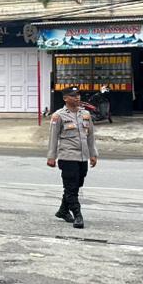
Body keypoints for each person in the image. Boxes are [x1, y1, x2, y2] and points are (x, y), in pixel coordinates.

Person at [46, 86, 99, 229]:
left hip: (82, 157)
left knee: (76, 185)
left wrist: (93, 154)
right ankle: (78, 215)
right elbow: (53, 137)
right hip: (67, 156)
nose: (77, 98)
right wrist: (51, 156)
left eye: (78, 95)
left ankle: (63, 210)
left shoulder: (85, 114)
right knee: (71, 187)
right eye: (73, 95)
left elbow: (91, 136)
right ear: (65, 98)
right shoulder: (59, 115)